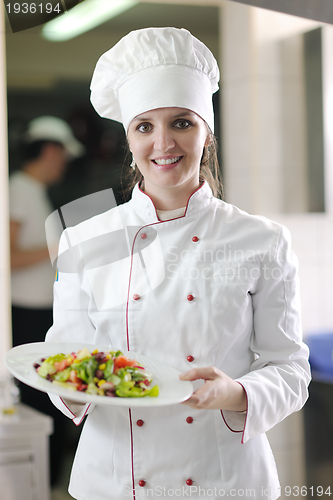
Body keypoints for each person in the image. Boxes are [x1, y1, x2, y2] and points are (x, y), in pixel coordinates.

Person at [45, 28, 311, 500]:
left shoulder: (260, 241)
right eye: (145, 126)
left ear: (206, 131)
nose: (163, 143)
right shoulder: (82, 239)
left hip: (223, 481)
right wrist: (66, 387)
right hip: (115, 482)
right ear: (128, 138)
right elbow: (64, 360)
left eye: (182, 123)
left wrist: (233, 394)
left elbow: (289, 369)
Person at [9, 115, 84, 484]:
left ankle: (49, 482)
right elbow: (8, 258)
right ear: (52, 151)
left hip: (39, 315)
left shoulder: (31, 191)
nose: (63, 166)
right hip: (24, 316)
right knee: (41, 404)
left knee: (51, 401)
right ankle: (44, 485)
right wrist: (58, 245)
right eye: (64, 157)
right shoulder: (19, 188)